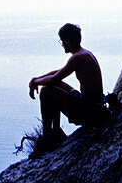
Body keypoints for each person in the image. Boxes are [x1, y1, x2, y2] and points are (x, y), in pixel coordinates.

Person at [28, 23, 104, 153]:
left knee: (46, 90)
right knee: (50, 87)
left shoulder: (78, 58)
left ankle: (47, 137)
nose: (62, 44)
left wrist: (36, 83)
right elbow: (57, 73)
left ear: (67, 41)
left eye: (62, 41)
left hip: (90, 112)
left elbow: (53, 79)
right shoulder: (83, 54)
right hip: (92, 106)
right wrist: (35, 80)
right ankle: (56, 131)